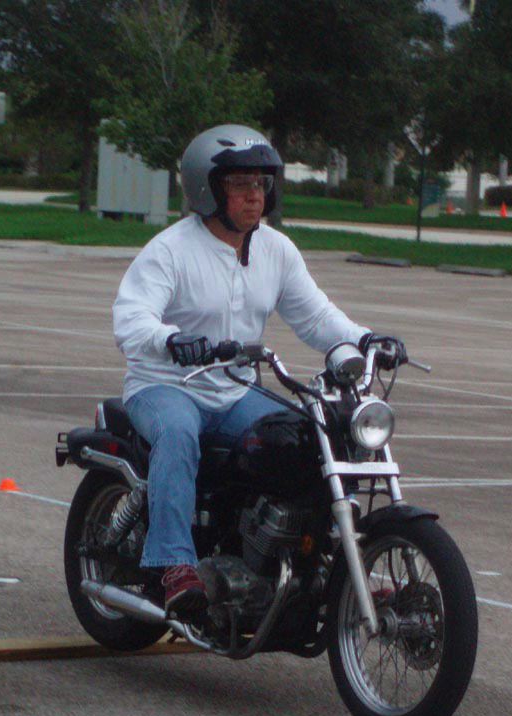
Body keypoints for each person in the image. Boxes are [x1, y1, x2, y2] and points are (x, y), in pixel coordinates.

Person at [112, 123, 401, 621]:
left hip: (234, 390)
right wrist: (170, 340)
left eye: (261, 184)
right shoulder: (170, 250)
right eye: (240, 184)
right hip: (164, 385)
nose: (254, 196)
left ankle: (337, 565)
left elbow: (315, 315)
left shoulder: (276, 250)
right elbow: (131, 317)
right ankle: (173, 565)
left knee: (314, 434)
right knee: (178, 434)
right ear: (208, 189)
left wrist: (365, 339)